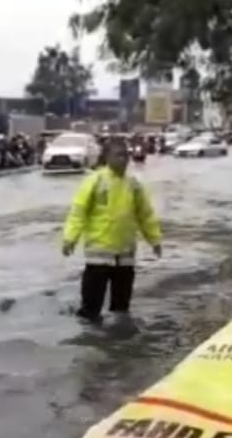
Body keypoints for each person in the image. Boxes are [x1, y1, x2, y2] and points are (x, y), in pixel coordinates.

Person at [62, 135, 162, 321]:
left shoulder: (133, 185)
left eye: (126, 155)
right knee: (90, 312)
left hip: (125, 259)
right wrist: (70, 239)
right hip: (98, 258)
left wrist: (155, 240)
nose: (123, 159)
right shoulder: (94, 181)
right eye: (118, 155)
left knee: (121, 311)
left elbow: (145, 215)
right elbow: (78, 212)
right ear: (107, 157)